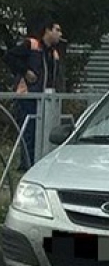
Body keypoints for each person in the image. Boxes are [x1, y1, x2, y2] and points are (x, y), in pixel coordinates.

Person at [4, 17, 65, 170]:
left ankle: (38, 163)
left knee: (43, 131)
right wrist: (25, 71)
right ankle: (26, 165)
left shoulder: (54, 53)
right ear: (47, 31)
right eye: (57, 30)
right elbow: (9, 57)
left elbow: (54, 76)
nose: (60, 34)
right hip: (28, 95)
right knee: (29, 131)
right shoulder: (31, 45)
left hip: (45, 98)